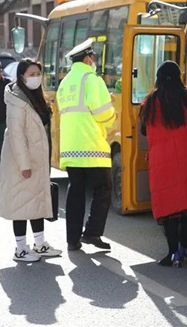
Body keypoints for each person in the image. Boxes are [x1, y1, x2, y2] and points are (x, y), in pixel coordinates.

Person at [139, 61, 187, 267]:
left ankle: (172, 253)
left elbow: (144, 131)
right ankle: (186, 247)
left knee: (169, 207)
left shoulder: (150, 102)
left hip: (163, 161)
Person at [0, 59, 61, 262]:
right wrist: (24, 164)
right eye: (31, 74)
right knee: (20, 205)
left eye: (38, 73)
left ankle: (40, 243)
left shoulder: (36, 97)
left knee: (36, 202)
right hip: (21, 162)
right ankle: (20, 248)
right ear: (22, 76)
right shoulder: (17, 100)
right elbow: (16, 135)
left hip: (36, 159)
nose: (36, 77)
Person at [57, 38, 116, 251]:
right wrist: (111, 111)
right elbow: (103, 114)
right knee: (103, 189)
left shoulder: (65, 82)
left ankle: (72, 240)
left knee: (76, 193)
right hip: (92, 148)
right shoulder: (92, 79)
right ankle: (92, 233)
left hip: (71, 149)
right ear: (89, 58)